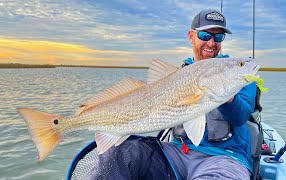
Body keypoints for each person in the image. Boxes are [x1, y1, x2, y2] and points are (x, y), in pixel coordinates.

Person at [88, 9, 256, 180]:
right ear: (191, 36)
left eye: (218, 37)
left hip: (224, 158)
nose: (212, 43)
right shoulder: (177, 74)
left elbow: (241, 116)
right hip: (175, 153)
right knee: (121, 154)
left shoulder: (237, 74)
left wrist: (229, 96)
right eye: (205, 35)